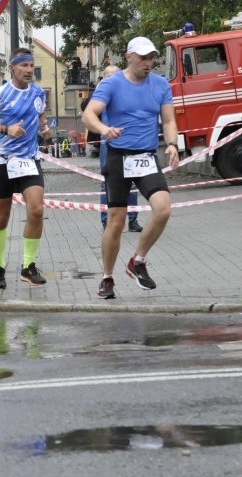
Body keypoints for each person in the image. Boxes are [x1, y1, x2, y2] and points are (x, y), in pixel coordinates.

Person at [82, 36, 179, 299]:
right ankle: (107, 277)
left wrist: (172, 144)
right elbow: (89, 114)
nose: (148, 63)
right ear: (129, 57)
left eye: (151, 58)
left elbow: (169, 120)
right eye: (143, 58)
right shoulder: (111, 83)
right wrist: (104, 129)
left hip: (146, 157)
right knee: (116, 222)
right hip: (118, 157)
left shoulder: (160, 85)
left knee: (163, 209)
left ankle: (138, 261)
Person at [0, 47, 52, 289]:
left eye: (31, 66)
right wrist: (5, 129)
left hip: (29, 160)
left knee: (37, 210)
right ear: (12, 68)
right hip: (3, 161)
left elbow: (40, 117)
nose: (29, 70)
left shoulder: (38, 93)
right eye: (24, 66)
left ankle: (28, 266)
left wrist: (44, 128)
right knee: (0, 217)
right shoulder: (0, 94)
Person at [85, 65, 143, 233]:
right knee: (107, 182)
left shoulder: (128, 92)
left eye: (115, 76)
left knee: (132, 180)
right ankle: (105, 221)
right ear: (103, 79)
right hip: (108, 144)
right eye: (108, 77)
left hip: (130, 142)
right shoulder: (101, 94)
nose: (113, 80)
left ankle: (132, 219)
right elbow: (86, 109)